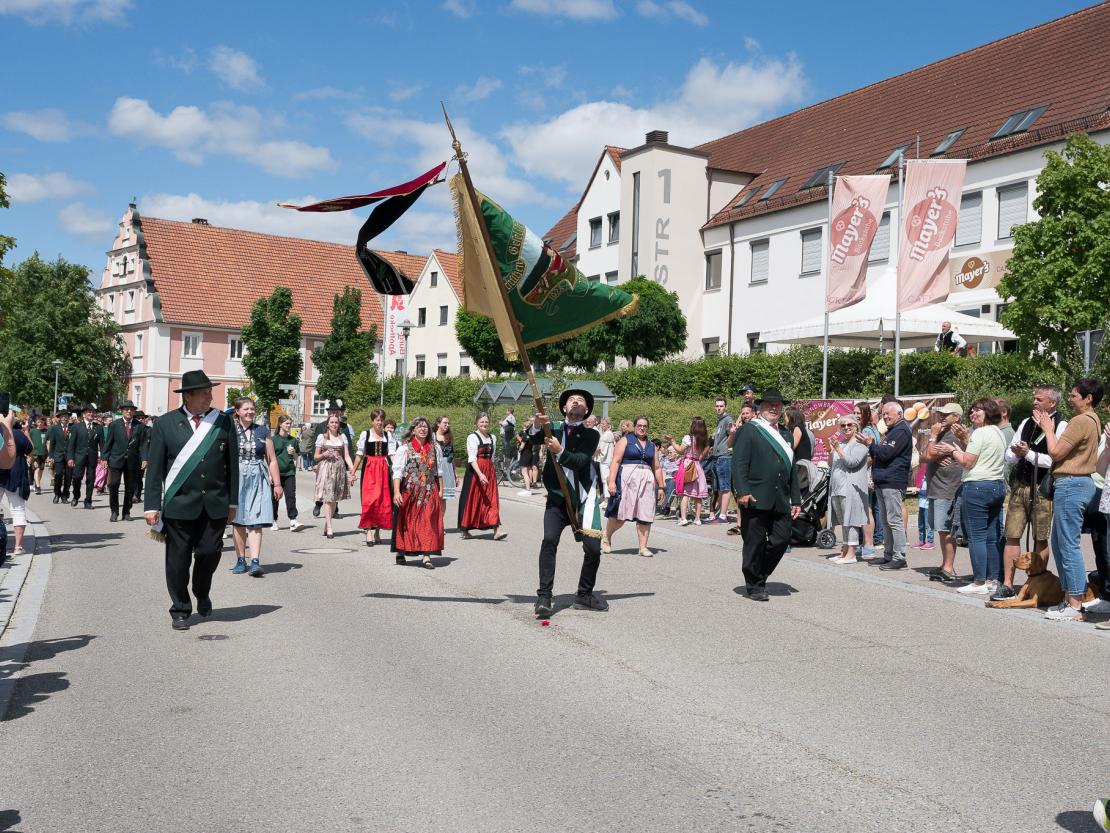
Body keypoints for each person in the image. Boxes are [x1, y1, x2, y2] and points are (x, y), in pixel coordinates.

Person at [143, 370, 239, 631]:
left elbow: (232, 466)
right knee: (178, 559)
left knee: (209, 552)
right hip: (180, 504)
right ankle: (181, 608)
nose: (211, 396)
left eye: (210, 391)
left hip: (216, 503)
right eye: (205, 392)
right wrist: (151, 505)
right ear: (188, 395)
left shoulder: (223, 422)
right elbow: (155, 469)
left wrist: (233, 502)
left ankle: (201, 590)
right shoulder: (165, 424)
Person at [530, 389, 607, 617]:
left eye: (581, 401)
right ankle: (544, 596)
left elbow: (579, 461)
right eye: (571, 400)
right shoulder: (551, 428)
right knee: (549, 541)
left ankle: (584, 595)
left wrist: (559, 451)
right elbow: (532, 438)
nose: (576, 402)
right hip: (556, 500)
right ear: (564, 408)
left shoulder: (591, 435)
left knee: (593, 549)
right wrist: (536, 424)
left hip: (583, 500)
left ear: (586, 410)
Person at [1037, 378, 1103, 621]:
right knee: (1059, 542)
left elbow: (1055, 452)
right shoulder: (1095, 420)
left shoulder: (1080, 421)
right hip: (1078, 483)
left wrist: (1048, 429)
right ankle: (1069, 598)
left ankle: (1075, 603)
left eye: (1075, 395)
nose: (1071, 398)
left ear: (1088, 398)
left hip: (1072, 484)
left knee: (1068, 544)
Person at [992, 386, 1065, 601]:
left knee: (1040, 538)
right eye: (1034, 398)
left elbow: (1055, 459)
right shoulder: (1025, 422)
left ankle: (1037, 581)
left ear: (1052, 403)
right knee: (1012, 535)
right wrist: (1016, 454)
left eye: (1039, 399)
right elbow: (1009, 456)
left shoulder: (1061, 424)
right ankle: (1007, 584)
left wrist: (1029, 454)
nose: (1034, 402)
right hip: (1021, 486)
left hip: (1042, 489)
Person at [731, 388, 801, 601]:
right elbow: (739, 463)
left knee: (782, 538)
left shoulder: (786, 434)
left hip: (780, 497)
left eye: (778, 405)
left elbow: (791, 469)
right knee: (755, 542)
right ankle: (754, 585)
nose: (774, 408)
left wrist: (796, 499)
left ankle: (760, 573)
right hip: (755, 495)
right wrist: (742, 491)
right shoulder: (750, 430)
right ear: (760, 408)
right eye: (770, 405)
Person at [937, 398, 1007, 594]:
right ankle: (993, 578)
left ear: (989, 413)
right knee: (992, 536)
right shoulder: (998, 433)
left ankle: (979, 581)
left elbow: (968, 462)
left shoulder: (979, 433)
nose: (973, 414)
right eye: (973, 410)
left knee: (977, 536)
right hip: (997, 485)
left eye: (979, 410)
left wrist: (952, 451)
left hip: (977, 486)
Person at [227, 398, 282, 577]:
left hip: (258, 476)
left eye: (252, 409)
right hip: (237, 476)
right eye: (246, 409)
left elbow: (272, 459)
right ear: (237, 411)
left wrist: (277, 483)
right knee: (238, 519)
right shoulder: (230, 430)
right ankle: (241, 559)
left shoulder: (262, 430)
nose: (250, 412)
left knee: (256, 519)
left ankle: (255, 560)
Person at [604, 415, 665, 557]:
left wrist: (661, 486)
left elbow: (656, 467)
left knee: (645, 513)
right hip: (627, 479)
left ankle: (643, 547)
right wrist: (612, 481)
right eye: (640, 425)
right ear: (635, 426)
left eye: (645, 426)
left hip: (646, 481)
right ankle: (606, 537)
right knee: (620, 515)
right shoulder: (626, 440)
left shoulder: (651, 446)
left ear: (647, 428)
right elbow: (616, 461)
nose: (642, 428)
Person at [863, 401, 913, 570]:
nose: (885, 417)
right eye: (883, 414)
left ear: (899, 414)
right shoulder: (892, 431)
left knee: (894, 520)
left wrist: (871, 444)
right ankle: (889, 555)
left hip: (893, 481)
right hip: (883, 481)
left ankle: (900, 557)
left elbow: (884, 454)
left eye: (888, 414)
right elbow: (880, 453)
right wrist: (872, 445)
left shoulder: (901, 431)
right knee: (885, 521)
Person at [391, 416, 445, 569]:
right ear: (413, 430)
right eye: (419, 426)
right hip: (410, 490)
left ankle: (426, 555)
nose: (422, 429)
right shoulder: (404, 448)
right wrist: (396, 492)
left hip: (429, 490)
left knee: (428, 521)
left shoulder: (435, 448)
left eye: (425, 427)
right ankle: (401, 550)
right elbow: (397, 472)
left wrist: (441, 489)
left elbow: (438, 471)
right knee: (408, 522)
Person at [922, 403, 965, 583]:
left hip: (946, 489)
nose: (941, 417)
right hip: (936, 487)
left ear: (957, 417)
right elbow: (924, 456)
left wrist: (932, 437)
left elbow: (930, 455)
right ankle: (945, 564)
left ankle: (949, 567)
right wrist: (932, 447)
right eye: (940, 414)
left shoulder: (954, 434)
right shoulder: (941, 433)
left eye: (946, 414)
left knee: (945, 530)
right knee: (940, 529)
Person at [827, 414, 869, 564]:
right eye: (843, 425)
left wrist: (838, 448)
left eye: (849, 425)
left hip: (850, 489)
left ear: (856, 426)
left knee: (851, 520)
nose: (846, 428)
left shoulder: (860, 445)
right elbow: (831, 464)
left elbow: (852, 462)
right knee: (843, 521)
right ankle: (844, 551)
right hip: (837, 488)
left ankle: (851, 554)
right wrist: (832, 449)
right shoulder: (841, 443)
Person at [458, 412, 505, 540]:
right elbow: (472, 458)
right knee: (472, 499)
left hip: (489, 470)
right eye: (481, 422)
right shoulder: (472, 437)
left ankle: (496, 529)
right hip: (475, 471)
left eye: (486, 422)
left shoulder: (492, 437)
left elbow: (492, 456)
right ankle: (465, 529)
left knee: (491, 499)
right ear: (477, 423)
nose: (484, 424)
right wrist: (480, 474)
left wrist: (491, 471)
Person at [352, 409, 396, 546]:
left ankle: (377, 531)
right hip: (370, 469)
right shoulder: (366, 434)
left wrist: (398, 470)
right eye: (377, 420)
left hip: (383, 469)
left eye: (382, 420)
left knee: (382, 501)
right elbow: (359, 454)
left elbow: (392, 455)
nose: (380, 422)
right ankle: (369, 531)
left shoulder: (388, 436)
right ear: (372, 421)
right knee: (370, 501)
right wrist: (353, 472)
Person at [100, 400, 146, 522]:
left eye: (131, 410)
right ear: (122, 411)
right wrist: (104, 458)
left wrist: (145, 458)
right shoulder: (114, 425)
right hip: (116, 459)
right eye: (126, 409)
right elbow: (108, 442)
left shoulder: (139, 426)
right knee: (114, 485)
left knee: (130, 487)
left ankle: (126, 512)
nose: (129, 411)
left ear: (134, 411)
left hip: (132, 461)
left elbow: (142, 445)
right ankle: (114, 511)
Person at [314, 413, 354, 539]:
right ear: (328, 424)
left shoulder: (343, 437)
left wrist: (352, 470)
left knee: (335, 498)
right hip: (326, 468)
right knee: (328, 498)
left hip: (339, 468)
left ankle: (327, 522)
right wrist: (324, 454)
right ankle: (330, 527)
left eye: (336, 422)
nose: (334, 424)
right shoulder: (322, 437)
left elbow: (346, 456)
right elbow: (316, 457)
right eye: (332, 422)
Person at [0, 416, 33, 556]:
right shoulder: (18, 434)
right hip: (16, 474)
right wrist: (26, 432)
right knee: (18, 510)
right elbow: (30, 450)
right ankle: (18, 547)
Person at [856, 402, 882, 555]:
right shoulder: (872, 428)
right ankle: (868, 543)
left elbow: (871, 455)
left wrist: (860, 469)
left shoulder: (866, 430)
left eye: (858, 413)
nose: (856, 415)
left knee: (866, 510)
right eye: (854, 412)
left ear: (865, 414)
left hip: (867, 474)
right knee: (870, 508)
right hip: (872, 473)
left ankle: (868, 545)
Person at [675, 417, 709, 526]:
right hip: (698, 466)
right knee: (697, 495)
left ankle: (684, 518)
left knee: (685, 493)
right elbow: (703, 456)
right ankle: (698, 519)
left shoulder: (688, 438)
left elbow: (680, 450)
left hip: (688, 466)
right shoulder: (704, 440)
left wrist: (672, 441)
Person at [66, 403, 101, 508]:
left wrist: (104, 458)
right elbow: (71, 444)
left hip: (92, 457)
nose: (91, 414)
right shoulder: (77, 427)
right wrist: (70, 457)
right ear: (84, 414)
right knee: (76, 477)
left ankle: (88, 500)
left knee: (90, 479)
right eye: (89, 412)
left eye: (93, 412)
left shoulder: (98, 428)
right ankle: (76, 496)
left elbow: (103, 444)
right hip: (79, 457)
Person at [270, 415, 301, 531]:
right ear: (280, 424)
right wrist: (269, 473)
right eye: (286, 423)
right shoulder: (273, 440)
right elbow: (268, 458)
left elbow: (296, 457)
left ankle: (293, 520)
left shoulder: (293, 440)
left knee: (291, 496)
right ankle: (273, 520)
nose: (288, 426)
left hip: (289, 472)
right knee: (275, 497)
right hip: (276, 473)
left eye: (289, 423)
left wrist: (293, 453)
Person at [708, 397, 735, 524]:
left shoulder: (728, 419)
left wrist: (725, 448)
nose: (719, 408)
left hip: (725, 457)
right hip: (717, 457)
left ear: (725, 407)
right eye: (717, 406)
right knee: (718, 487)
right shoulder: (719, 421)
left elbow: (732, 433)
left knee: (725, 487)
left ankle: (723, 516)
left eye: (721, 406)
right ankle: (721, 513)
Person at [434, 416, 457, 523]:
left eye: (448, 423)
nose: (447, 425)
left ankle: (440, 523)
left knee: (443, 498)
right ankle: (432, 522)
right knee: (434, 496)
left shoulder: (449, 437)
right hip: (435, 467)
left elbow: (452, 457)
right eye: (445, 423)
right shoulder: (432, 436)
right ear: (438, 424)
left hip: (447, 468)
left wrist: (455, 475)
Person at [46, 409, 72, 504]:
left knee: (68, 477)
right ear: (60, 418)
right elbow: (52, 443)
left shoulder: (72, 428)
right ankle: (57, 494)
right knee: (59, 474)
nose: (64, 418)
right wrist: (51, 456)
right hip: (58, 455)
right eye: (62, 416)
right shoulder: (55, 428)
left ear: (69, 418)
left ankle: (65, 495)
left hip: (70, 456)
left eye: (66, 416)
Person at [517, 415, 537, 496]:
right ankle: (528, 488)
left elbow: (522, 446)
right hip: (530, 454)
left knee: (524, 473)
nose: (523, 429)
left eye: (524, 427)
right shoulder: (532, 435)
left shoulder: (525, 436)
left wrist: (519, 449)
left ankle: (528, 489)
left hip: (525, 454)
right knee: (528, 472)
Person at [595, 418, 615, 500]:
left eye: (604, 424)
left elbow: (603, 449)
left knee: (605, 478)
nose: (602, 425)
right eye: (602, 423)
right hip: (606, 459)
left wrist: (597, 453)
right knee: (605, 478)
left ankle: (607, 498)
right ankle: (607, 497)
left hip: (605, 460)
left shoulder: (607, 434)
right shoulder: (607, 433)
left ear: (608, 425)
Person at [29, 415, 47, 496]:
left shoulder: (46, 431)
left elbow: (49, 442)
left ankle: (37, 483)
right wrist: (29, 454)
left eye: (42, 422)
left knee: (41, 470)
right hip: (35, 453)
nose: (40, 424)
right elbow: (29, 442)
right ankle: (38, 487)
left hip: (43, 453)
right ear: (36, 422)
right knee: (37, 469)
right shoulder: (32, 431)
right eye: (39, 422)